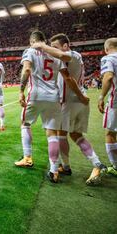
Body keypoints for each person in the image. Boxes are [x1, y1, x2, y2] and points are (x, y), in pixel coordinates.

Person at [32, 33, 107, 185]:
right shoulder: (77, 56)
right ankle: (95, 163)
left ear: (66, 46)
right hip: (79, 101)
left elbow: (68, 78)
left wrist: (42, 46)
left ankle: (67, 166)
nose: (52, 51)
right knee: (75, 135)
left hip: (70, 101)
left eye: (55, 47)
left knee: (59, 133)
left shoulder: (70, 56)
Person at [15, 31, 65, 183]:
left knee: (25, 123)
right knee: (52, 133)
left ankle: (27, 157)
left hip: (36, 95)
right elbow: (65, 75)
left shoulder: (30, 51)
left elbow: (27, 69)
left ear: (32, 41)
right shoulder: (55, 53)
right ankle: (54, 170)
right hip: (53, 96)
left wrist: (21, 91)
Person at [98, 37, 117, 177]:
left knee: (110, 132)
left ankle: (115, 166)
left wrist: (101, 97)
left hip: (115, 101)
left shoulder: (108, 58)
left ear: (106, 48)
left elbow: (108, 77)